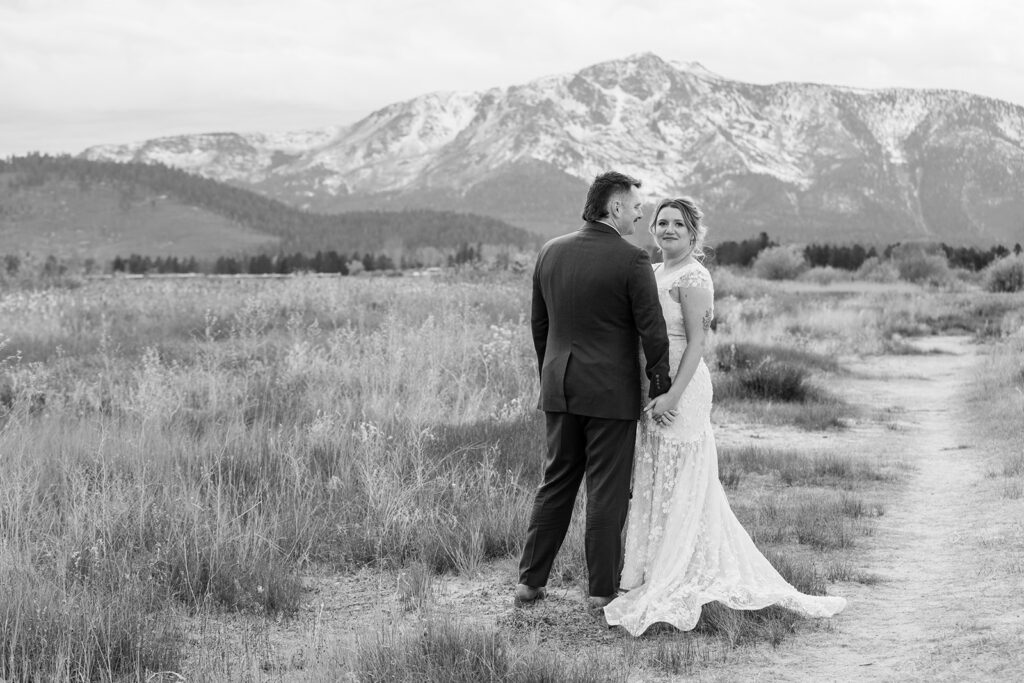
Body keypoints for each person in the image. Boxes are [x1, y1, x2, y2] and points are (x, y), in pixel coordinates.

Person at [602, 197, 847, 635]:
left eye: (679, 224)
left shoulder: (696, 277)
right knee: (657, 478)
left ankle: (675, 571)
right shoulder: (654, 272)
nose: (669, 229)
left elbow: (697, 345)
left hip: (683, 388)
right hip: (652, 386)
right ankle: (649, 568)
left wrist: (673, 396)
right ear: (653, 230)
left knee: (683, 480)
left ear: (694, 234)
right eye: (662, 222)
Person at [515, 171, 674, 610]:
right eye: (637, 207)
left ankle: (529, 583)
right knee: (606, 490)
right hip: (610, 392)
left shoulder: (551, 251)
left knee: (556, 482)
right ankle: (601, 591)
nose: (642, 214)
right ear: (616, 207)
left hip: (559, 387)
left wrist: (549, 376)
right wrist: (659, 384)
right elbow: (652, 329)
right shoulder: (632, 259)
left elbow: (540, 326)